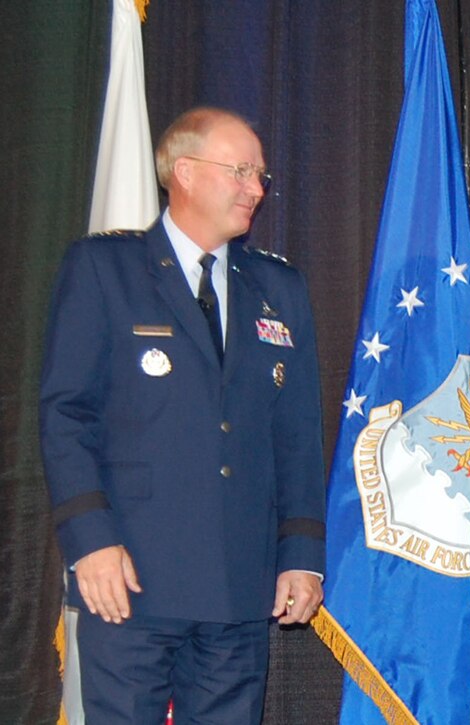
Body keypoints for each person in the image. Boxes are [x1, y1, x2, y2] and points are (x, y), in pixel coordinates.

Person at [39, 107, 325, 723]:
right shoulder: (105, 270)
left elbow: (297, 435)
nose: (257, 188)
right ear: (185, 173)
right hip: (131, 576)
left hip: (238, 578)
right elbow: (66, 415)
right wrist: (90, 543)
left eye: (261, 176)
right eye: (242, 171)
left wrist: (300, 552)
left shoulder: (279, 287)